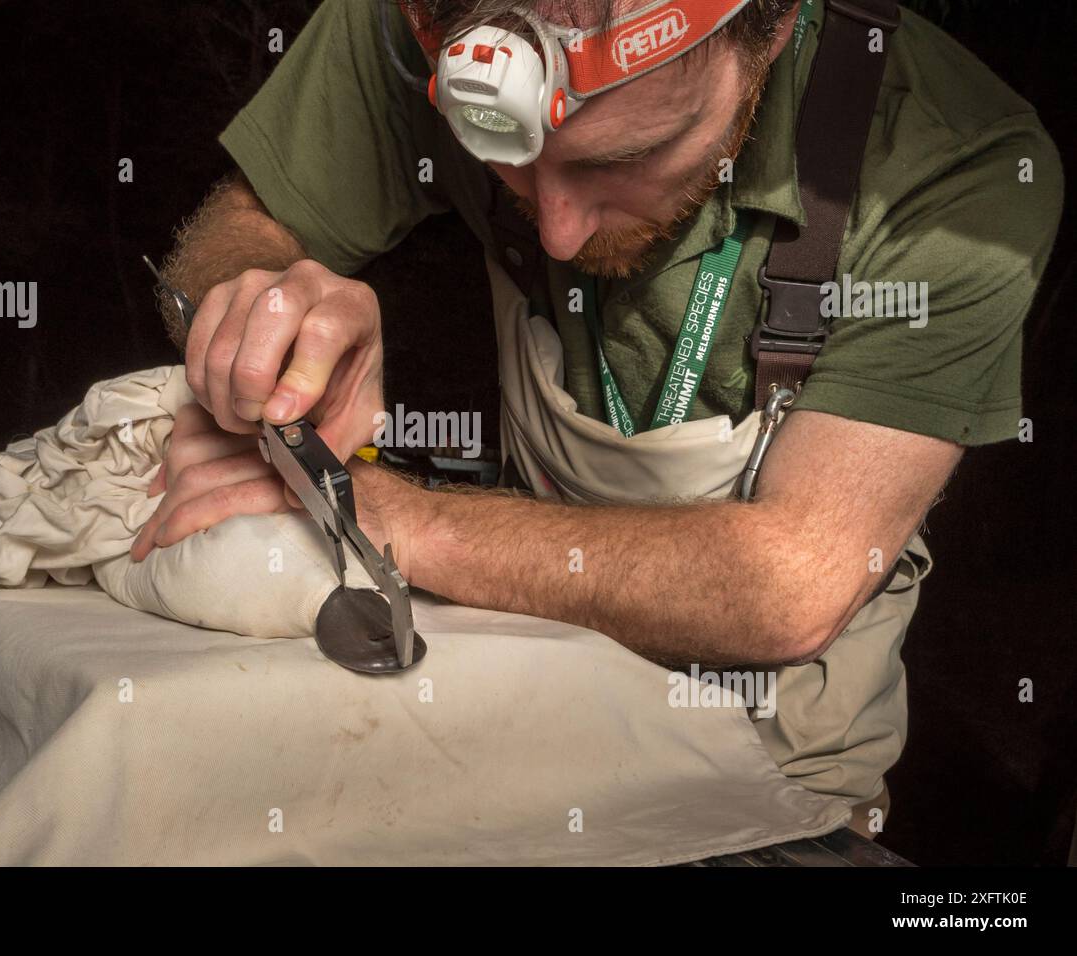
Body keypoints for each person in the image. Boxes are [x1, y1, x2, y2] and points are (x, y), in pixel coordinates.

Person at [129, 0, 1062, 835]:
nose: (558, 230)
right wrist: (259, 309)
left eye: (626, 159)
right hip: (504, 698)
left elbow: (792, 582)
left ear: (774, 25)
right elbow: (229, 238)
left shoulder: (959, 168)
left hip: (769, 778)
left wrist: (390, 514)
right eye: (506, 156)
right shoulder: (423, 16)